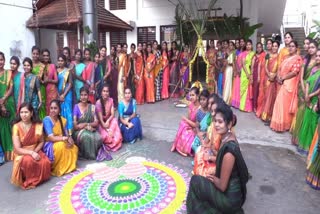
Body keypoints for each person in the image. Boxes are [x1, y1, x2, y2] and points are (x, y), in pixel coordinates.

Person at [187, 104, 249, 213]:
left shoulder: (229, 152)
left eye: (220, 122)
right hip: (230, 193)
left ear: (229, 124)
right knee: (201, 179)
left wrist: (213, 178)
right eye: (215, 121)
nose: (216, 125)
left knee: (195, 181)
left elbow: (222, 186)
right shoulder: (227, 138)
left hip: (229, 200)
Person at [11, 103, 51, 189]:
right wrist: (31, 153)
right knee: (28, 161)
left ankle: (37, 178)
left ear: (31, 113)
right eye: (21, 112)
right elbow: (17, 149)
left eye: (26, 112)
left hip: (35, 149)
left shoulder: (38, 125)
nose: (23, 115)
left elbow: (41, 141)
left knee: (45, 162)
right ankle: (29, 180)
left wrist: (35, 152)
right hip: (22, 153)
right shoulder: (16, 127)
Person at [270, 41, 302, 132]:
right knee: (280, 104)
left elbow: (294, 72)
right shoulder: (285, 57)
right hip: (281, 81)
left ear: (296, 48)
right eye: (289, 46)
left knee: (283, 104)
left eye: (293, 46)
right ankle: (279, 124)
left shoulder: (297, 58)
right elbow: (280, 68)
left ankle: (283, 125)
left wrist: (283, 78)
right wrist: (279, 77)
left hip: (289, 83)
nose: (291, 48)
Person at [291, 41, 318, 144]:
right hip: (303, 89)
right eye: (309, 47)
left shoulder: (317, 61)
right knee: (300, 113)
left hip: (314, 89)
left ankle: (304, 139)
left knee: (308, 115)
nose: (310, 49)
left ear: (316, 49)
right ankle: (297, 138)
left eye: (313, 47)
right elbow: (301, 78)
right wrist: (303, 90)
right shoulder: (305, 60)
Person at [43, 100, 78, 176]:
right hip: (50, 144)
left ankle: (68, 167)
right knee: (61, 146)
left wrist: (70, 140)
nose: (53, 110)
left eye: (55, 108)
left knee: (74, 148)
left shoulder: (62, 120)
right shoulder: (47, 120)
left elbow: (66, 134)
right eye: (51, 108)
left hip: (61, 140)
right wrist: (63, 138)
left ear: (59, 110)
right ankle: (59, 168)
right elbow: (51, 138)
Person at [193, 94, 223, 176]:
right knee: (199, 153)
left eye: (214, 111)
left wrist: (210, 157)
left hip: (220, 162)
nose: (212, 114)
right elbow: (210, 141)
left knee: (201, 167)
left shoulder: (225, 134)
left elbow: (223, 158)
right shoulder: (213, 125)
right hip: (213, 154)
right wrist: (205, 146)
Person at [73, 87, 106, 160]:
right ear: (80, 96)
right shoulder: (76, 107)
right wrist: (81, 127)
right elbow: (75, 125)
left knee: (99, 138)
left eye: (85, 95)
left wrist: (86, 125)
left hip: (90, 128)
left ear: (88, 96)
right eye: (82, 95)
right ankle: (87, 155)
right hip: (79, 131)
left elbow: (96, 122)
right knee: (86, 136)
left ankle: (92, 153)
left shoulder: (92, 107)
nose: (83, 97)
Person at [297, 49, 320, 153]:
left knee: (312, 124)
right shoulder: (314, 69)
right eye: (317, 56)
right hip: (308, 99)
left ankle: (309, 149)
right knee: (306, 122)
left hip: (315, 100)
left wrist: (311, 95)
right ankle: (303, 147)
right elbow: (308, 82)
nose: (318, 58)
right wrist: (306, 94)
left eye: (319, 56)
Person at [171, 87, 200, 156]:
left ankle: (183, 147)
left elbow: (196, 125)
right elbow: (189, 118)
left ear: (198, 96)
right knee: (183, 124)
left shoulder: (200, 108)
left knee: (184, 124)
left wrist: (186, 120)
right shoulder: (191, 105)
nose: (191, 97)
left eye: (193, 95)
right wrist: (186, 120)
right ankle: (178, 145)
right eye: (190, 95)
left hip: (197, 129)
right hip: (190, 126)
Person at [96, 84, 122, 151]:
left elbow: (112, 114)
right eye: (104, 91)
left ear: (109, 93)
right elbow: (101, 120)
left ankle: (114, 141)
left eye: (107, 91)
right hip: (101, 124)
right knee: (106, 136)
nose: (105, 93)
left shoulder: (111, 100)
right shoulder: (98, 103)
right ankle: (109, 142)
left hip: (108, 122)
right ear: (101, 92)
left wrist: (108, 121)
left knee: (114, 120)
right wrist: (108, 130)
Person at [0, 52, 15, 161]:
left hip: (8, 102)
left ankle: (14, 151)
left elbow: (11, 88)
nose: (0, 62)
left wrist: (3, 99)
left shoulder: (9, 73)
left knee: (11, 127)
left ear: (4, 60)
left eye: (1, 59)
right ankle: (4, 154)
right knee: (2, 129)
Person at [261, 41, 280, 123]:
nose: (274, 47)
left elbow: (279, 67)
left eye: (276, 46)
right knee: (267, 96)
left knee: (272, 97)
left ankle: (270, 115)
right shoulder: (268, 55)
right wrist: (269, 74)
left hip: (275, 79)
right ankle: (265, 115)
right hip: (268, 78)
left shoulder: (279, 56)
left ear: (278, 47)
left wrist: (275, 75)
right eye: (273, 46)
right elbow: (265, 66)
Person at [256, 39, 273, 118]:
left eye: (270, 44)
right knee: (261, 94)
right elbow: (259, 65)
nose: (269, 45)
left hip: (270, 77)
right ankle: (261, 110)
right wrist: (259, 76)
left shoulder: (276, 55)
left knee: (268, 95)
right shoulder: (264, 54)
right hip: (263, 75)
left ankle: (266, 113)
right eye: (268, 44)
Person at [57, 55, 73, 134]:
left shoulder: (68, 71)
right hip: (58, 95)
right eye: (59, 60)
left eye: (62, 60)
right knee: (59, 112)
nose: (60, 62)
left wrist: (64, 95)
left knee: (68, 112)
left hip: (67, 94)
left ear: (65, 61)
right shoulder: (56, 71)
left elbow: (70, 84)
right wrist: (59, 95)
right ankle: (62, 132)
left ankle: (69, 133)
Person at [191, 90, 211, 154]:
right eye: (201, 99)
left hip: (209, 134)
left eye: (204, 99)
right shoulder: (199, 112)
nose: (202, 101)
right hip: (201, 134)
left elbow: (212, 127)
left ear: (208, 100)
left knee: (207, 148)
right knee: (194, 146)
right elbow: (197, 126)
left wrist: (205, 133)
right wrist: (199, 133)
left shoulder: (211, 111)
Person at [239, 40, 255, 112]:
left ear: (251, 45)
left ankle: (248, 107)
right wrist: (247, 74)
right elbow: (243, 64)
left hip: (251, 71)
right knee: (244, 88)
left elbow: (253, 65)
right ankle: (242, 106)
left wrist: (251, 74)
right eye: (247, 44)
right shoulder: (244, 53)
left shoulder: (253, 54)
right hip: (244, 72)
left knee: (249, 89)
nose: (248, 46)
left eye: (249, 44)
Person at [42, 49, 58, 114]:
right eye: (44, 55)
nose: (46, 57)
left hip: (52, 91)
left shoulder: (52, 66)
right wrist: (42, 81)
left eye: (47, 55)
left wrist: (48, 80)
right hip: (42, 90)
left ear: (49, 56)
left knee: (53, 108)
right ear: (41, 56)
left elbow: (56, 80)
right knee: (44, 109)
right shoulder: (40, 67)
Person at [31, 46, 46, 119]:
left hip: (40, 88)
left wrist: (41, 81)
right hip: (31, 89)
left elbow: (43, 80)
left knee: (41, 106)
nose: (35, 55)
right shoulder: (29, 65)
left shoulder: (42, 66)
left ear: (39, 55)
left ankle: (42, 126)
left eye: (37, 54)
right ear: (31, 54)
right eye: (34, 53)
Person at [232, 38, 246, 108]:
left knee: (241, 87)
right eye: (240, 42)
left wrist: (241, 70)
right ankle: (235, 103)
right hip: (238, 71)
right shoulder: (237, 51)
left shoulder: (246, 52)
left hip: (243, 71)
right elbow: (235, 61)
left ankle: (241, 103)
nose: (241, 43)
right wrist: (236, 70)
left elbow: (246, 63)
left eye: (243, 41)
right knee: (236, 87)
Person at [252, 42, 266, 112]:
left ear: (262, 48)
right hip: (255, 75)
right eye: (257, 47)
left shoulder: (264, 55)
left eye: (260, 47)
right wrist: (251, 76)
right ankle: (254, 106)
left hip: (262, 75)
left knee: (261, 92)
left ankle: (260, 106)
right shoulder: (254, 56)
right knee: (255, 91)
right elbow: (252, 67)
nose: (259, 48)